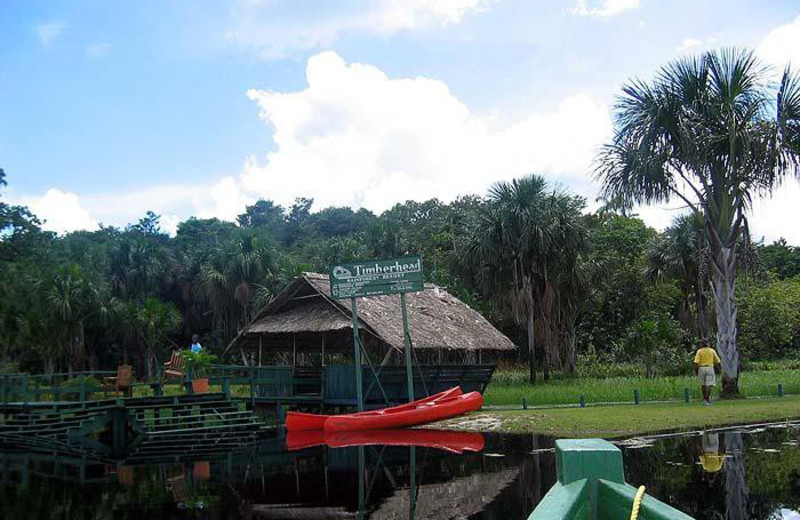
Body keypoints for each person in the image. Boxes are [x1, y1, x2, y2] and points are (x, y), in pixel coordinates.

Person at [693, 339, 721, 405]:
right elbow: (718, 361)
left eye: (700, 343)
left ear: (702, 344)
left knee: (703, 384)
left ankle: (704, 399)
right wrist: (719, 369)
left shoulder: (699, 351)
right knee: (708, 384)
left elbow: (696, 362)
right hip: (710, 368)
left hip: (701, 368)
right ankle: (707, 399)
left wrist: (695, 370)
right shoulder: (712, 351)